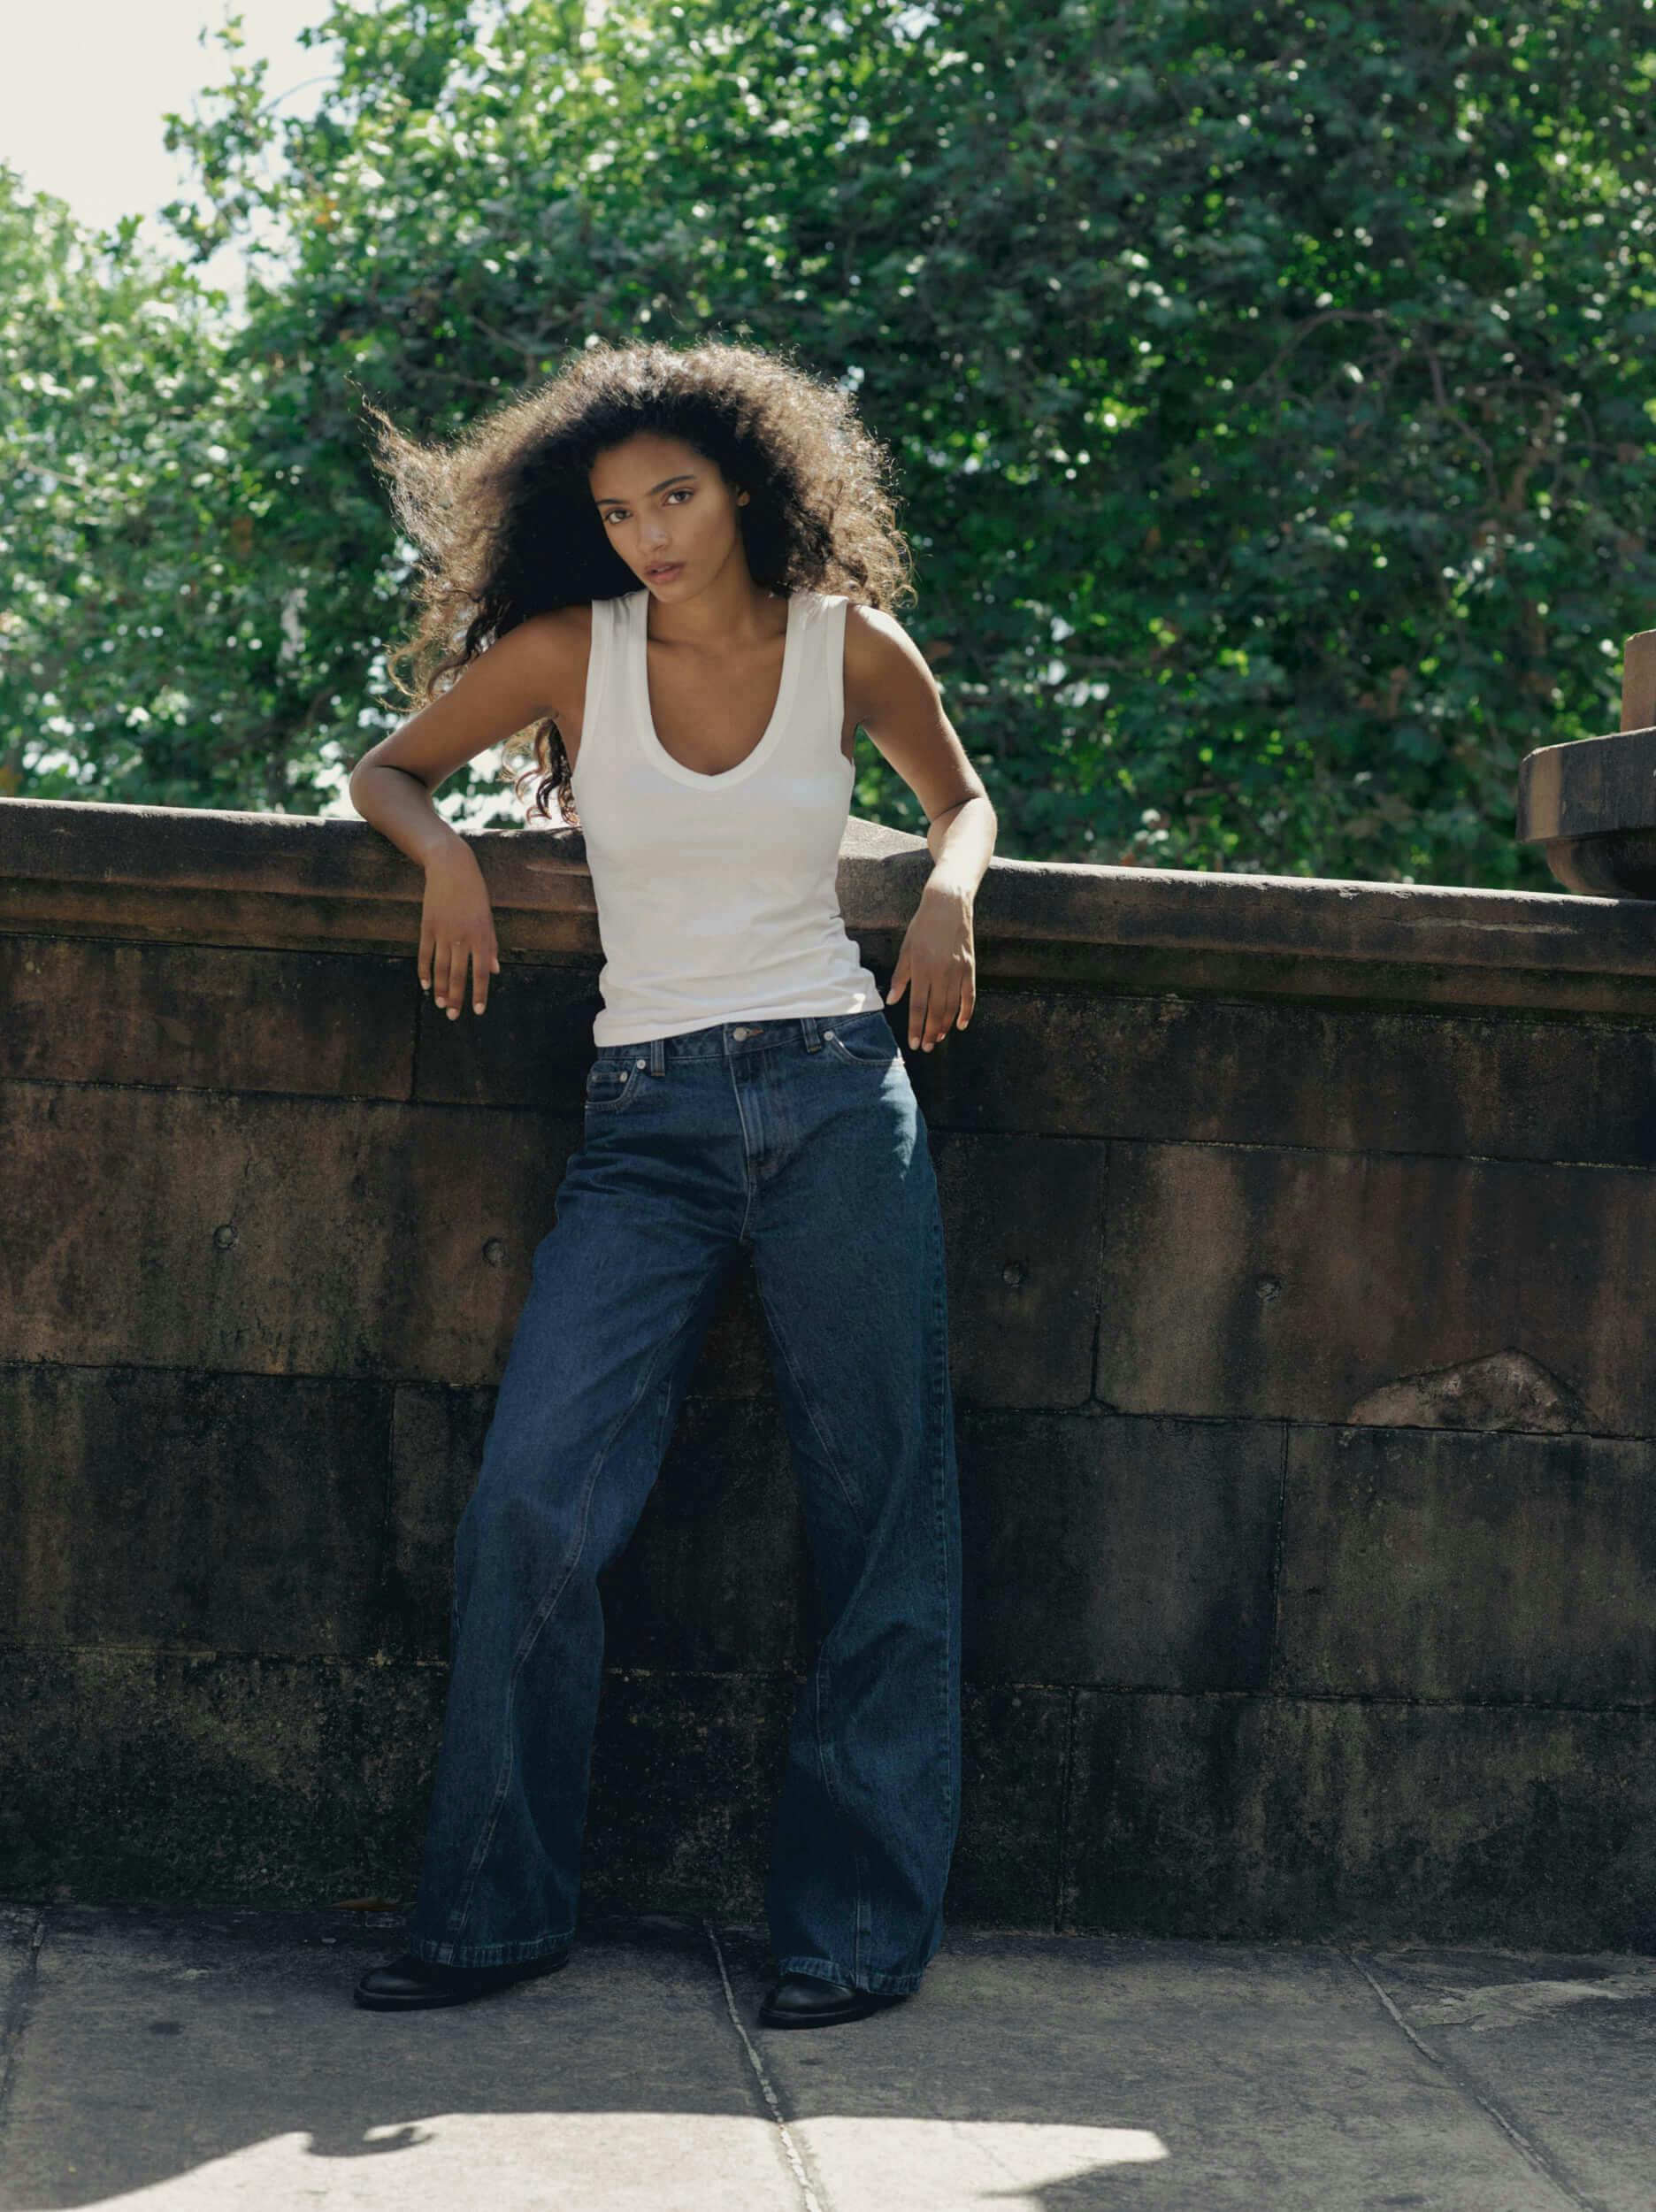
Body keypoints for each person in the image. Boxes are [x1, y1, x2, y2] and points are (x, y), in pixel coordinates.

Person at [344, 337, 995, 2028]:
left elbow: (967, 800)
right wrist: (450, 872)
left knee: (884, 1520)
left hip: (845, 1102)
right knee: (532, 1506)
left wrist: (945, 895)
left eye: (678, 497)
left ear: (755, 486)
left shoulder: (853, 650)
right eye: (619, 509)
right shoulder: (572, 653)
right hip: (648, 1122)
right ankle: (490, 1917)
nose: (648, 534)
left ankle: (851, 1934)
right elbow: (388, 769)